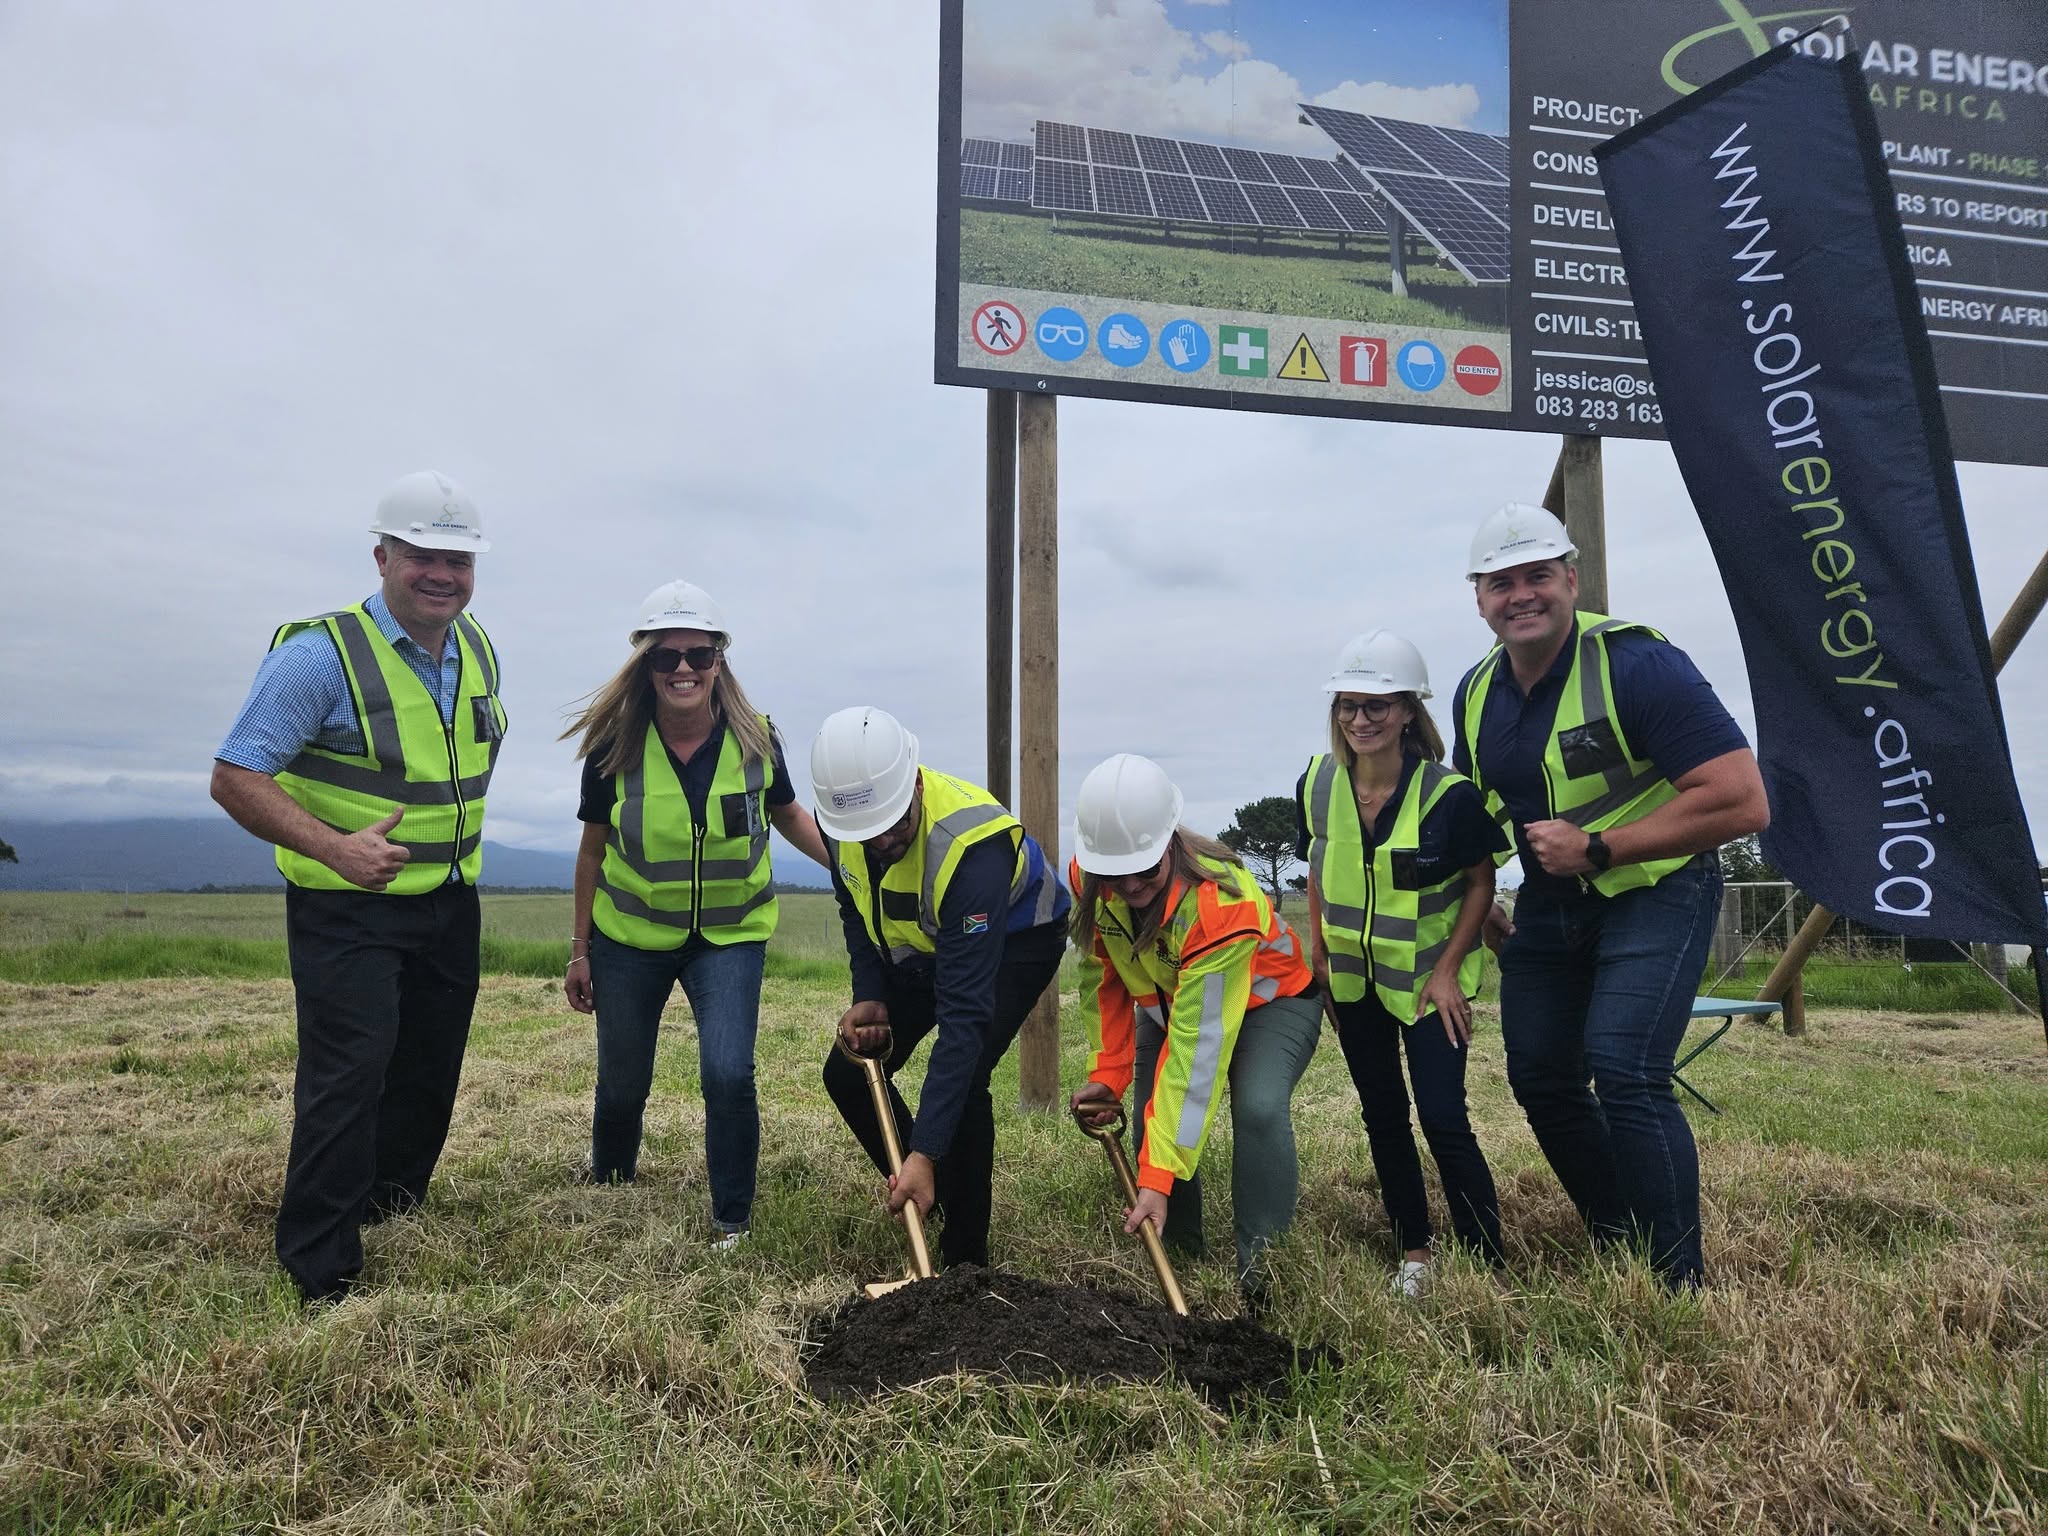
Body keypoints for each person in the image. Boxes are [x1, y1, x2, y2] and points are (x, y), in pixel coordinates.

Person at [1451, 502, 1769, 1289]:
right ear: (1478, 597)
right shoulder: (1475, 691)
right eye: (1501, 583)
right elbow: (1475, 808)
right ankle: (1621, 1237)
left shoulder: (1638, 664)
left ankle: (1675, 1281)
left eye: (1537, 576)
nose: (1521, 595)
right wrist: (1479, 899)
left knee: (1625, 1069)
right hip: (1552, 903)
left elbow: (1742, 799)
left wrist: (1602, 847)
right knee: (1540, 1077)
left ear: (1572, 579)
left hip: (1659, 889)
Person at [211, 471, 505, 1304]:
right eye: (423, 555)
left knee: (428, 1062)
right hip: (349, 908)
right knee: (350, 1073)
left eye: (459, 558)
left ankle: (390, 1204)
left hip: (450, 902)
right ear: (382, 556)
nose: (442, 573)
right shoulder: (318, 657)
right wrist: (334, 849)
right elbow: (235, 774)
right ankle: (320, 1267)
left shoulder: (478, 646)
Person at [559, 581, 827, 1246]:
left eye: (698, 655)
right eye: (666, 656)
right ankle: (613, 1186)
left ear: (719, 661)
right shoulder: (611, 747)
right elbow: (592, 851)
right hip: (630, 938)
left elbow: (789, 814)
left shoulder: (758, 740)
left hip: (730, 938)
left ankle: (731, 1219)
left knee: (729, 1073)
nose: (683, 669)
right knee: (623, 1083)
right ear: (645, 665)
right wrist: (580, 948)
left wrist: (854, 874)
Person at [813, 706, 1068, 1269]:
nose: (881, 843)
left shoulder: (973, 849)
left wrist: (925, 1149)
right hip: (926, 945)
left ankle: (965, 1260)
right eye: (866, 835)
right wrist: (870, 991)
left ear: (916, 783)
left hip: (1017, 942)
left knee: (966, 1076)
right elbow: (855, 909)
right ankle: (932, 1185)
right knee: (849, 1071)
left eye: (894, 827)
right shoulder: (841, 822)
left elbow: (964, 1018)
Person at [1296, 631, 1508, 1298]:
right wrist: (1321, 957)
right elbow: (1319, 869)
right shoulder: (1318, 783)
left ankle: (1485, 1255)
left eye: (1377, 706)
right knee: (1383, 1116)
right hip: (1354, 987)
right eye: (1348, 706)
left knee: (1444, 1116)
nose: (1360, 720)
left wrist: (1447, 971)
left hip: (1426, 987)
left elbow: (1482, 884)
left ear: (1409, 711)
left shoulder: (1451, 797)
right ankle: (1413, 1250)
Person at [1068, 754, 1322, 1294]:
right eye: (1116, 874)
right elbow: (1102, 976)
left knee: (1256, 1106)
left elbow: (1198, 1050)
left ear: (1171, 843)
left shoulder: (1219, 903)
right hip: (1168, 1004)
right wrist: (1109, 1073)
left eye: (1146, 869)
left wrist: (1156, 1177)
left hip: (1271, 1002)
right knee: (1146, 1111)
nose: (1131, 884)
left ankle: (1263, 1269)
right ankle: (1178, 1249)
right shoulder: (1091, 876)